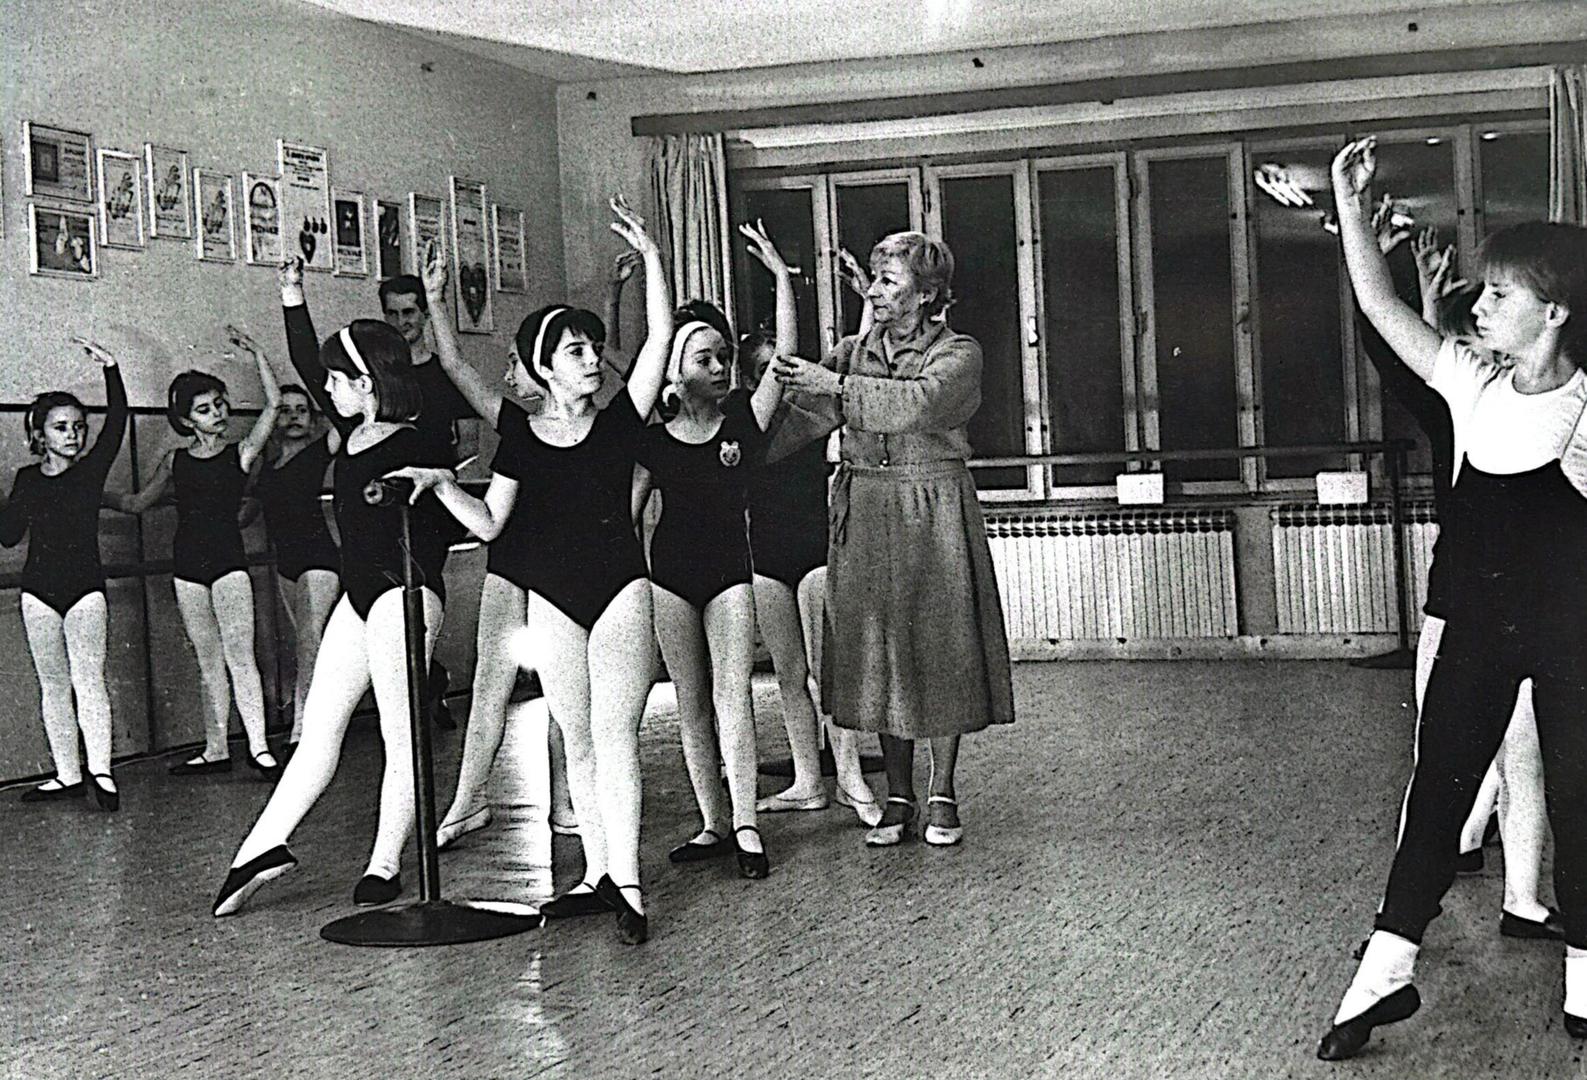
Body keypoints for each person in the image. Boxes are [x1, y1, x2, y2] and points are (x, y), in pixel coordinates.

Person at [1316, 135, 1587, 1059]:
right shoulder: (1472, 383)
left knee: (1580, 796)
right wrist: (1350, 209)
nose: (1480, 303)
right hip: (1477, 622)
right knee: (1438, 790)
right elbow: (1379, 305)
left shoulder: (1584, 409)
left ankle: (1585, 977)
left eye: (1501, 294)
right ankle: (1383, 972)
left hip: (1573, 632)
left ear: (1554, 311)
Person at [388, 195, 671, 944]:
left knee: (615, 737)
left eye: (592, 348)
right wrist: (441, 483)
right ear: (543, 367)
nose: (592, 359)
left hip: (619, 589)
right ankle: (596, 873)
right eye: (575, 351)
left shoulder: (619, 422)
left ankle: (628, 883)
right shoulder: (518, 433)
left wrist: (652, 259)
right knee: (576, 738)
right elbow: (489, 523)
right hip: (551, 597)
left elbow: (659, 339)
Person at [212, 255, 455, 916]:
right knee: (319, 730)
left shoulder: (416, 442)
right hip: (360, 595)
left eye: (336, 380)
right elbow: (303, 356)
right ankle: (261, 849)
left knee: (402, 737)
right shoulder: (352, 430)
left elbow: (438, 526)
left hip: (407, 595)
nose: (325, 390)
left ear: (367, 382)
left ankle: (384, 862)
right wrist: (292, 293)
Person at [770, 230, 1015, 849]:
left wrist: (835, 387)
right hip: (866, 508)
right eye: (874, 279)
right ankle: (899, 796)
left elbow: (920, 404)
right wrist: (732, 445)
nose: (873, 292)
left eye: (887, 281)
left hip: (932, 507)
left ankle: (943, 792)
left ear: (927, 294)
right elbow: (805, 421)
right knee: (877, 653)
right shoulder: (854, 351)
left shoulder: (959, 352)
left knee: (940, 646)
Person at [418, 241, 626, 850]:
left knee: (571, 700)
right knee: (494, 683)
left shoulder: (599, 425)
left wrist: (611, 298)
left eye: (515, 362)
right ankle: (467, 801)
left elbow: (601, 356)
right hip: (513, 565)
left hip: (575, 571)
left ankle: (567, 801)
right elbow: (456, 367)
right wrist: (436, 300)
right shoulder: (515, 426)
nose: (509, 374)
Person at [633, 223, 789, 880]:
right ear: (675, 369)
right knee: (690, 702)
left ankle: (746, 822)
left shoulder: (742, 423)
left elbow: (783, 361)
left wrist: (779, 280)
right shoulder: (653, 438)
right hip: (669, 576)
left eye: (724, 357)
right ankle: (712, 822)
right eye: (706, 359)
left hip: (729, 573)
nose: (721, 368)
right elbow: (625, 514)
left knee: (733, 696)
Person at [106, 328, 282, 781]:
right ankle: (215, 749)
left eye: (219, 404)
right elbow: (137, 503)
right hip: (187, 567)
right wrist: (89, 496)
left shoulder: (241, 454)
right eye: (204, 409)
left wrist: (258, 353)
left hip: (228, 566)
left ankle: (260, 748)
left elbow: (273, 405)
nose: (217, 413)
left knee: (241, 656)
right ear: (186, 421)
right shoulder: (175, 461)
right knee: (208, 660)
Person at [751, 246, 881, 826]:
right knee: (787, 676)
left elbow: (858, 367)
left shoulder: (810, 414)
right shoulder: (745, 425)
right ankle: (808, 779)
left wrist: (866, 304)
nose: (777, 381)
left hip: (814, 553)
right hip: (765, 560)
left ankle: (850, 777)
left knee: (828, 675)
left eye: (783, 372)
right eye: (766, 373)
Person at [1, 338, 128, 809]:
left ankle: (101, 771)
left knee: (89, 680)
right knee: (53, 685)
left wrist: (111, 368)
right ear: (40, 435)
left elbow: (117, 423)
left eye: (78, 426)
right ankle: (67, 774)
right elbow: (9, 536)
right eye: (61, 427)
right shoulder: (26, 479)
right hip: (38, 592)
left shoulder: (90, 472)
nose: (73, 435)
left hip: (85, 591)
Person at [377, 271, 478, 730]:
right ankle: (426, 681)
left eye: (409, 312)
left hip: (434, 502)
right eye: (392, 313)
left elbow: (470, 441)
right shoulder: (382, 376)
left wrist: (447, 484)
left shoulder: (443, 374)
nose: (402, 322)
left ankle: (422, 686)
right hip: (390, 501)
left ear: (423, 314)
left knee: (423, 587)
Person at [254, 384, 340, 752]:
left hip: (320, 560)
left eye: (301, 410)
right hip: (286, 564)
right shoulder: (267, 467)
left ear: (313, 419)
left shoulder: (319, 452)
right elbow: (249, 512)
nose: (293, 417)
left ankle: (304, 731)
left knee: (309, 643)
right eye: (285, 410)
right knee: (306, 644)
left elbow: (343, 419)